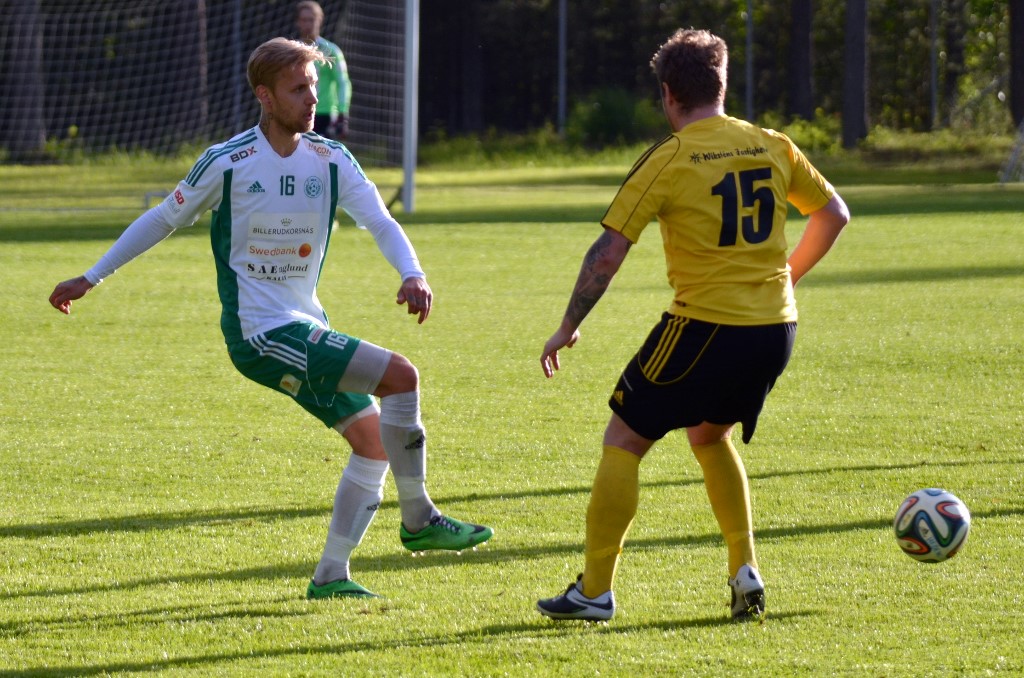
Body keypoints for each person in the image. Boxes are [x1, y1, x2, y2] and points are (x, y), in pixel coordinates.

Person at [49, 37, 492, 600]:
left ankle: (331, 577)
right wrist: (92, 276)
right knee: (401, 376)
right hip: (260, 333)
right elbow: (163, 218)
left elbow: (381, 221)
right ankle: (419, 518)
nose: (312, 99)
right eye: (298, 88)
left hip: (306, 324)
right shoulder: (228, 162)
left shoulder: (331, 159)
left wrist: (413, 273)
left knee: (374, 443)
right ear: (265, 96)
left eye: (313, 86)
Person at [535, 28, 849, 622]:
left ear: (668, 94)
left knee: (624, 437)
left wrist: (568, 323)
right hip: (775, 329)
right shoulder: (773, 144)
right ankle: (745, 571)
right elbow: (834, 214)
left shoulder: (671, 156)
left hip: (706, 325)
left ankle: (594, 592)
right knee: (709, 435)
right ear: (721, 86)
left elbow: (608, 253)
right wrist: (786, 277)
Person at [295, 1, 351, 140]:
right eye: (304, 20)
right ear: (298, 22)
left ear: (319, 20)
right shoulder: (292, 52)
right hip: (298, 111)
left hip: (324, 114)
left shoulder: (331, 51)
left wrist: (342, 113)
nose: (308, 24)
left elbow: (343, 82)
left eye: (311, 20)